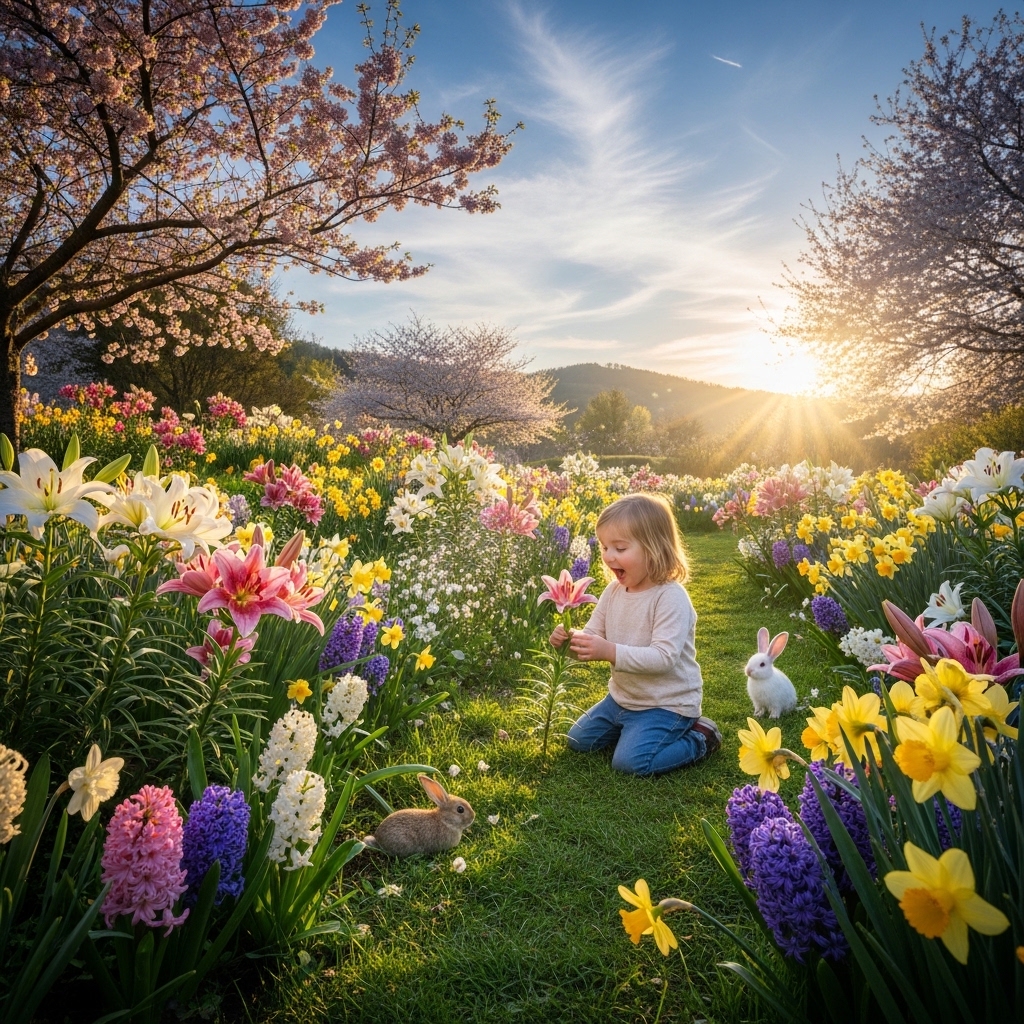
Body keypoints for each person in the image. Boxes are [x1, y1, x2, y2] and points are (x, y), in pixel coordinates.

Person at [551, 492, 721, 775]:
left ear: (654, 548)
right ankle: (633, 731)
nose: (608, 556)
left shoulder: (670, 597)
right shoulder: (614, 591)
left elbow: (663, 658)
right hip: (620, 699)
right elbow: (592, 636)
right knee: (576, 740)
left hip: (666, 704)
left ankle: (701, 737)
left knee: (630, 763)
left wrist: (609, 651)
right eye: (605, 547)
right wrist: (568, 642)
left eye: (619, 548)